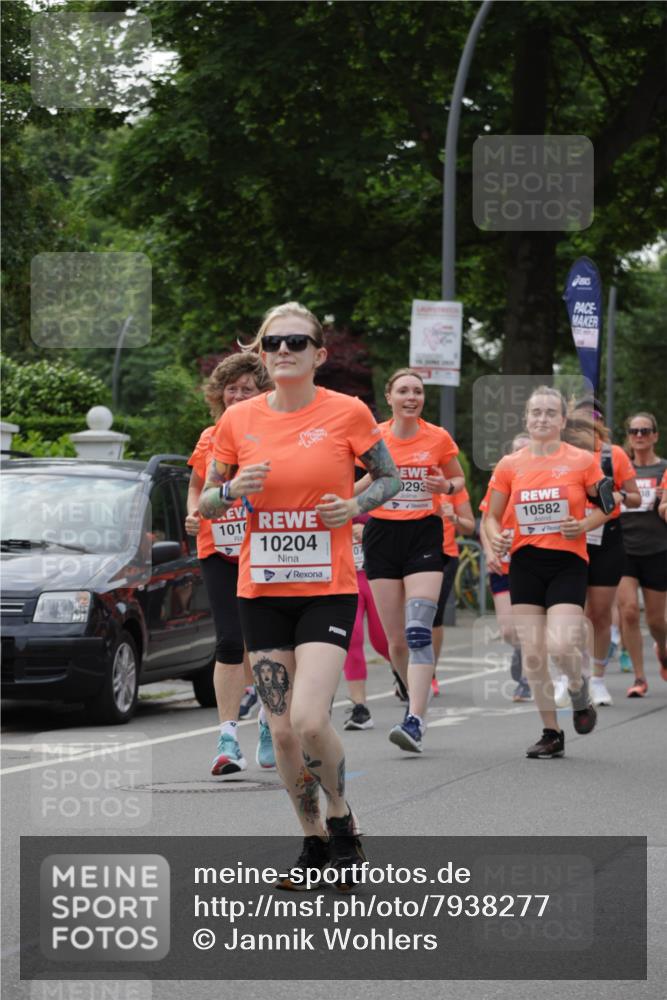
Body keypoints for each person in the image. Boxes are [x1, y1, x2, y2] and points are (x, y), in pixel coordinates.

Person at [199, 302, 400, 889]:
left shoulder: (348, 413)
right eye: (273, 343)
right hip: (260, 592)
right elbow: (206, 503)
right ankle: (314, 842)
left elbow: (388, 478)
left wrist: (353, 505)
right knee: (281, 732)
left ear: (319, 353)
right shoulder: (237, 422)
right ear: (261, 353)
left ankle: (342, 822)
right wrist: (233, 488)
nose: (284, 351)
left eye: (296, 342)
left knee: (311, 721)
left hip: (326, 590)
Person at [485, 385, 611, 759]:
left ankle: (578, 688)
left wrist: (583, 525)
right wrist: (497, 540)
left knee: (560, 644)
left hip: (567, 563)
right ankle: (551, 732)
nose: (541, 418)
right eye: (535, 412)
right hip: (525, 564)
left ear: (561, 420)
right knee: (534, 656)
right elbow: (491, 516)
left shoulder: (582, 460)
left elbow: (608, 504)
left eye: (549, 413)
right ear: (526, 418)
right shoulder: (510, 464)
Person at [357, 368, 465, 754]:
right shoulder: (373, 438)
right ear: (389, 397)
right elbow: (364, 483)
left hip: (423, 532)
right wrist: (338, 501)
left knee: (419, 630)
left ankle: (415, 720)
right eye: (403, 390)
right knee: (395, 641)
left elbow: (458, 480)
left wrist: (445, 487)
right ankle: (405, 683)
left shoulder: (437, 437)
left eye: (417, 391)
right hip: (382, 536)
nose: (411, 397)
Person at [185, 353, 275, 775]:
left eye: (247, 388)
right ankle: (226, 739)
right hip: (217, 548)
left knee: (262, 642)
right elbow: (197, 487)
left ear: (262, 393)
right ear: (220, 392)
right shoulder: (210, 436)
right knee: (228, 641)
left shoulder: (272, 434)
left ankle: (266, 723)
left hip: (264, 548)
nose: (238, 394)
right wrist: (193, 512)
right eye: (231, 387)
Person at [562, 402, 640, 706]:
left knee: (599, 614)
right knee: (569, 614)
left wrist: (620, 495)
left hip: (606, 539)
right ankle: (567, 678)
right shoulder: (559, 455)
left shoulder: (612, 454)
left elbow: (634, 496)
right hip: (569, 539)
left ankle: (597, 679)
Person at [616, 412, 667, 696]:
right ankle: (639, 677)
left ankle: (662, 648)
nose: (639, 436)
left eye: (645, 431)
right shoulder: (622, 472)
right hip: (624, 549)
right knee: (629, 612)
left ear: (655, 436)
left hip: (658, 549)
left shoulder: (664, 470)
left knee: (657, 621)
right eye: (634, 431)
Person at [479, 433, 532, 702]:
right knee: (509, 630)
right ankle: (520, 651)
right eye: (516, 452)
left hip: (530, 563)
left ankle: (526, 679)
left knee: (530, 625)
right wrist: (489, 552)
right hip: (502, 565)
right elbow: (485, 520)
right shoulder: (500, 481)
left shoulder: (541, 481)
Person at [341, 513, 390, 731]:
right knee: (352, 637)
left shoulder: (380, 483)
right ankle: (359, 707)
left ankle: (405, 676)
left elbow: (398, 523)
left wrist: (369, 529)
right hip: (346, 577)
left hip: (376, 573)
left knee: (384, 640)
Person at [431, 486, 476, 691]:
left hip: (445, 556)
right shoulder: (407, 472)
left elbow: (470, 527)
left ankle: (429, 672)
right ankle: (402, 671)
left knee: (433, 617)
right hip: (409, 554)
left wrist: (454, 518)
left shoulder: (452, 485)